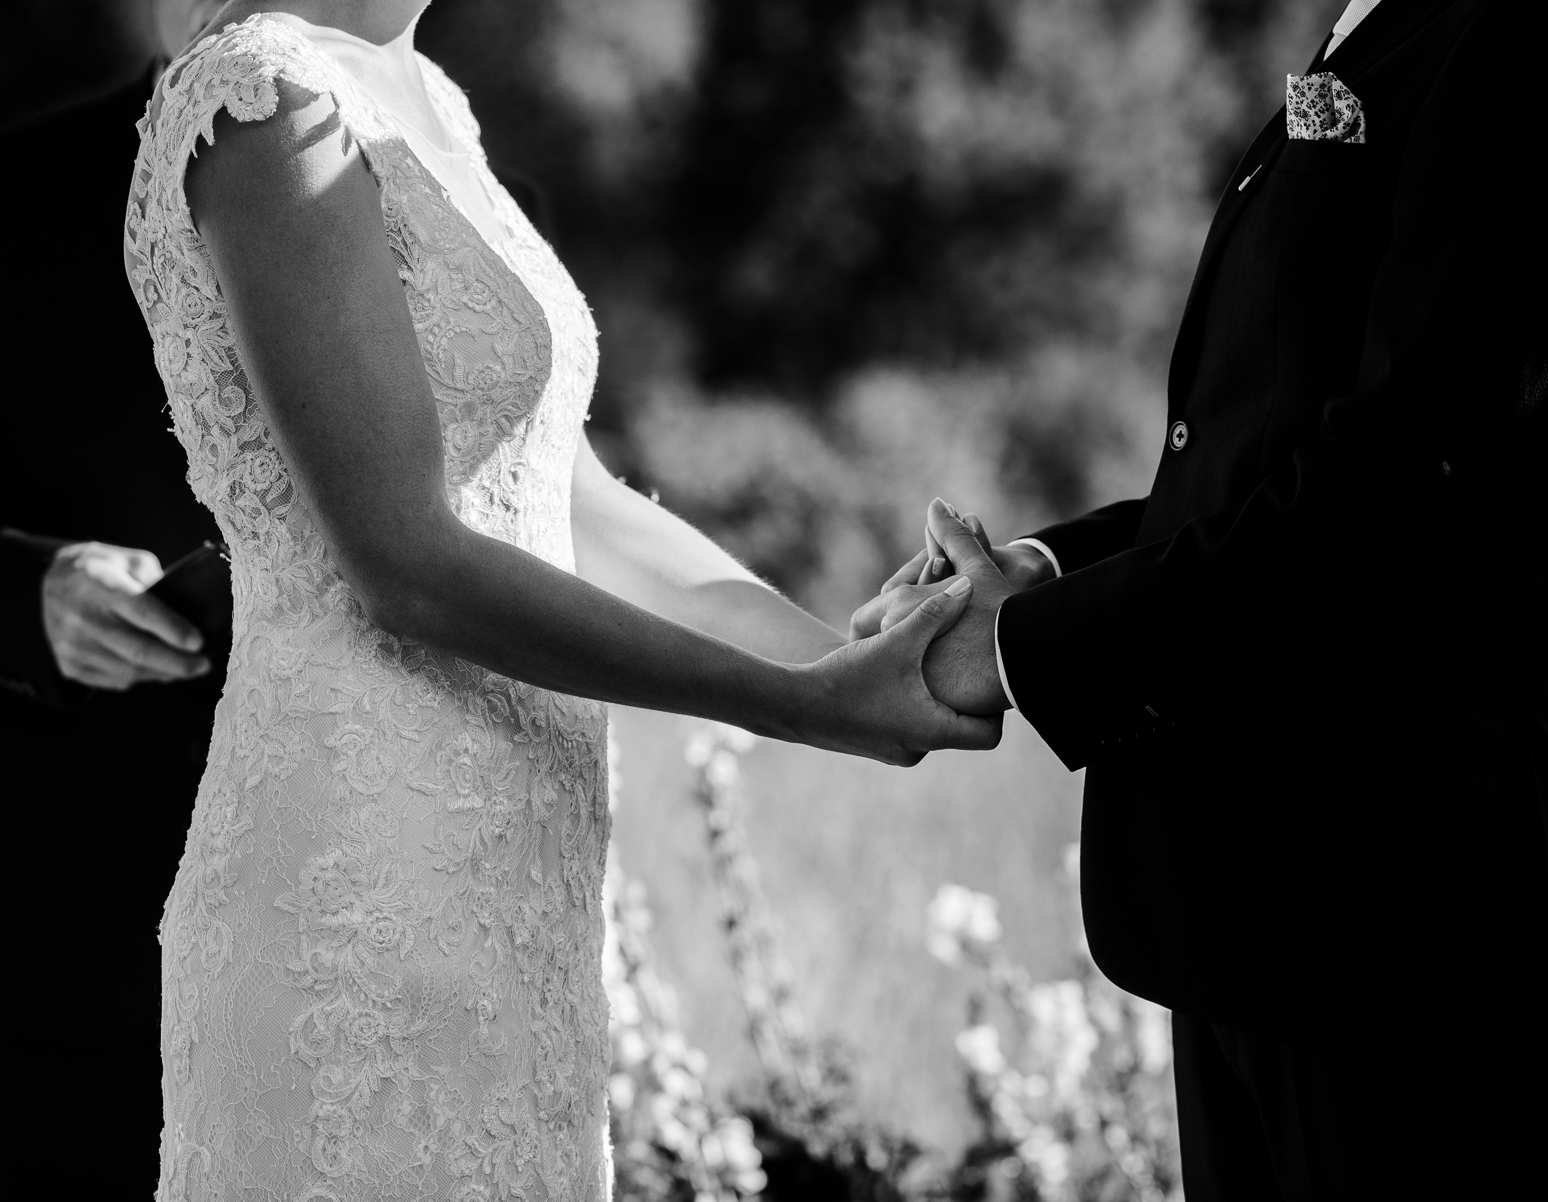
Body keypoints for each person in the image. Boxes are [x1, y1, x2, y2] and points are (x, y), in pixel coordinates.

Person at [128, 1, 996, 1198]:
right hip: (361, 887)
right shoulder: (263, 101)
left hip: (523, 891)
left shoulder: (422, 96)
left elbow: (574, 501)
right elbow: (408, 563)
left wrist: (846, 655)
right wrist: (795, 708)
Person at [857, 0, 1548, 1198]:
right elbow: (1278, 450)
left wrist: (1022, 651)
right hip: (1274, 934)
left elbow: (1397, 505)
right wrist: (1042, 573)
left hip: (1411, 955)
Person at [0, 0, 225, 1192]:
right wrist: (26, 590)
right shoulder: (15, 195)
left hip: (404, 893)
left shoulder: (468, 198)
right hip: (89, 928)